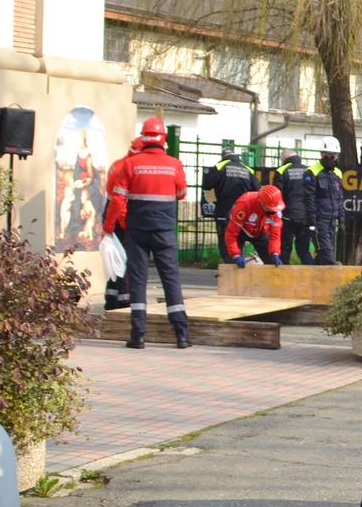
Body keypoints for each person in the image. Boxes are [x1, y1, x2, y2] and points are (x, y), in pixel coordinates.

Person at [102, 116, 193, 350]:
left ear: (143, 138)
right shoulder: (174, 164)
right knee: (170, 279)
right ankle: (182, 335)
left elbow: (118, 199)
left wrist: (108, 227)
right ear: (163, 139)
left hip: (137, 231)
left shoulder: (130, 164)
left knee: (139, 281)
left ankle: (138, 335)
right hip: (164, 230)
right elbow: (181, 192)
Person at [203, 148, 258, 245]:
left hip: (224, 212)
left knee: (226, 243)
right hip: (243, 213)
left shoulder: (220, 167)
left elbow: (206, 185)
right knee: (239, 242)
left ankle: (232, 259)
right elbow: (258, 190)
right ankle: (238, 258)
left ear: (223, 157)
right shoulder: (247, 169)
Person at [223, 183, 285, 266]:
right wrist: (235, 255)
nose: (274, 212)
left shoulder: (276, 211)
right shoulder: (244, 204)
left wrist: (275, 253)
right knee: (234, 265)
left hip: (261, 231)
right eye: (271, 209)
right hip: (240, 231)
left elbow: (275, 235)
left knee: (272, 263)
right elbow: (231, 233)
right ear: (262, 203)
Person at [276, 152, 317, 265]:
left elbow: (277, 196)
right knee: (303, 249)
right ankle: (312, 275)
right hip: (306, 216)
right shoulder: (309, 170)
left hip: (288, 216)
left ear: (284, 158)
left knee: (285, 248)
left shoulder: (281, 170)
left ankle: (282, 278)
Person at [312, 143, 345, 264]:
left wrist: (341, 218)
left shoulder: (337, 173)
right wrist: (311, 220)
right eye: (327, 156)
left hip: (332, 219)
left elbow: (339, 198)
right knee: (326, 253)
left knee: (322, 255)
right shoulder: (312, 172)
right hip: (319, 219)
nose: (330, 159)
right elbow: (309, 198)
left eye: (333, 156)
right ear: (321, 154)